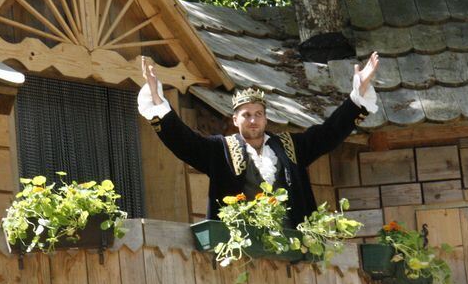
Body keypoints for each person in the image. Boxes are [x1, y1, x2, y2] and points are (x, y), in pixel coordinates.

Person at [139, 53, 380, 227]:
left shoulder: (290, 146)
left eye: (258, 115)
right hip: (242, 249)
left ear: (265, 119)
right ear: (235, 120)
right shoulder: (220, 150)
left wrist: (358, 96)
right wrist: (158, 101)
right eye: (246, 115)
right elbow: (183, 142)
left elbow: (330, 133)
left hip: (294, 246)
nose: (253, 120)